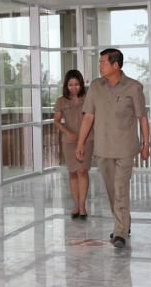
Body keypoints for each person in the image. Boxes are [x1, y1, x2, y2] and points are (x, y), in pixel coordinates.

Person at [75, 48, 150, 249]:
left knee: (120, 189)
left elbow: (142, 118)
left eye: (103, 63)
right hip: (103, 148)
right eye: (99, 62)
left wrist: (146, 144)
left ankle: (120, 232)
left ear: (115, 65)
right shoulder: (95, 87)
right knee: (111, 191)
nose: (100, 66)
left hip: (125, 148)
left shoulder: (134, 87)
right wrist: (81, 143)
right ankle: (124, 222)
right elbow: (88, 117)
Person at [54, 69, 94, 220]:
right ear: (66, 85)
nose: (74, 87)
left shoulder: (88, 99)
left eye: (76, 84)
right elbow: (56, 121)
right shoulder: (61, 101)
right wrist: (68, 132)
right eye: (70, 85)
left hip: (87, 140)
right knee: (72, 172)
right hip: (69, 142)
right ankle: (76, 205)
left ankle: (82, 206)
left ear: (81, 84)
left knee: (82, 171)